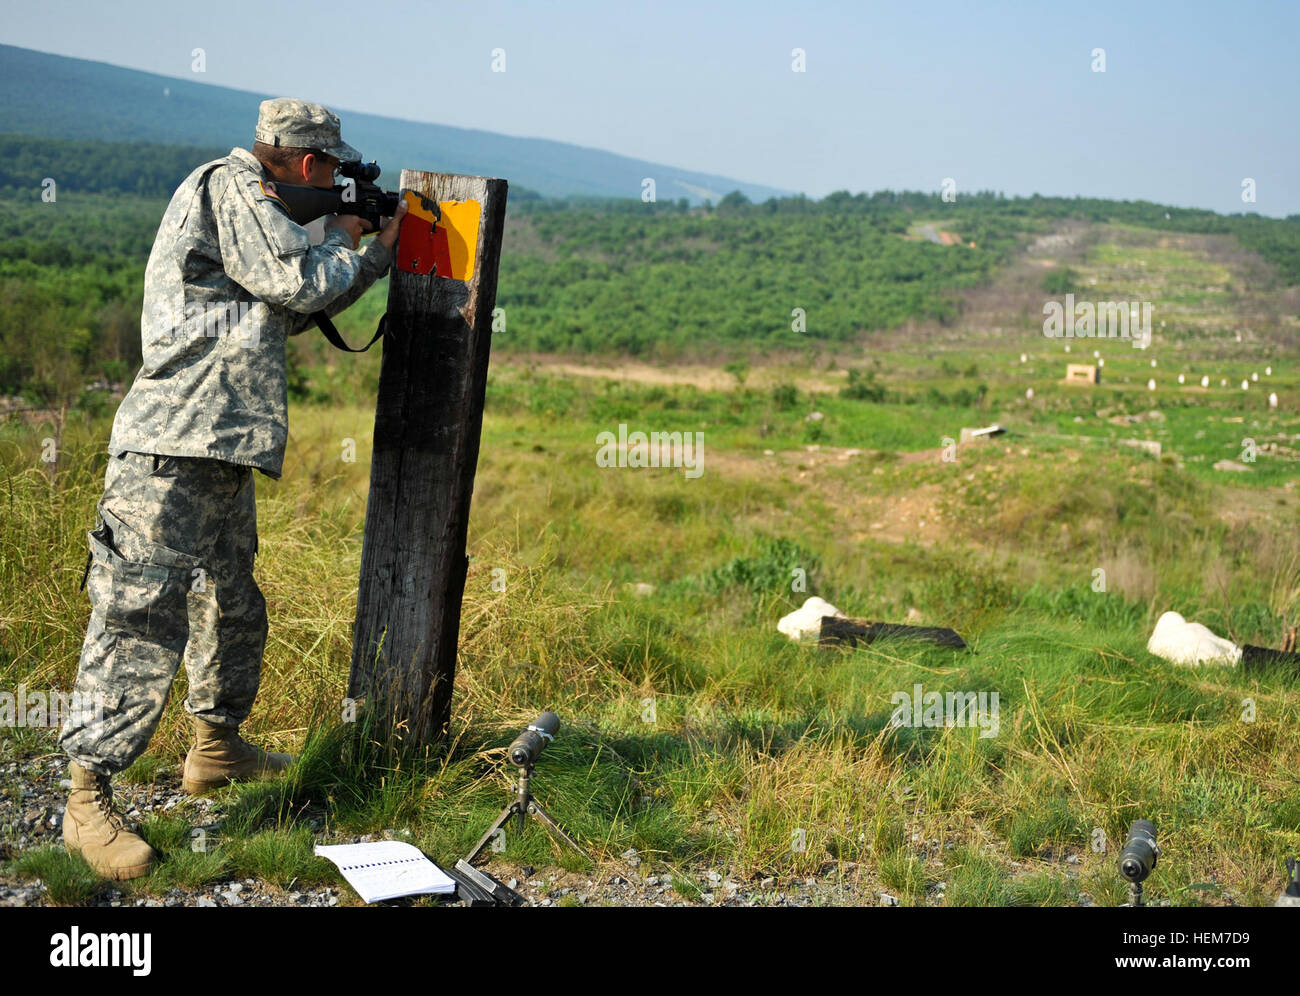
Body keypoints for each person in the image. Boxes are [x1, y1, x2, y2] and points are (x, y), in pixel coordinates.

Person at [57, 98, 408, 880]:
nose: (336, 184)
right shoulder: (231, 188)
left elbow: (287, 309)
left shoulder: (260, 211)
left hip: (218, 445)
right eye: (333, 172)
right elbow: (295, 280)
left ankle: (215, 748)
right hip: (169, 444)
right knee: (139, 613)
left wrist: (365, 255)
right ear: (311, 165)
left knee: (231, 599)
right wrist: (353, 242)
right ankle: (86, 799)